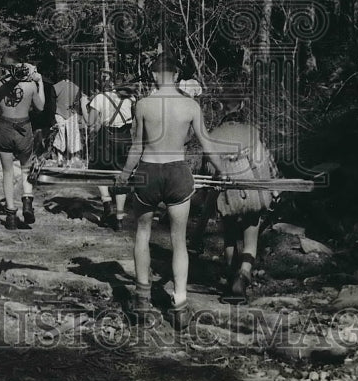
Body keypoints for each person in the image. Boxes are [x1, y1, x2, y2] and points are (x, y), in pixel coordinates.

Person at [117, 52, 216, 330]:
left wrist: (124, 175)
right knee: (179, 241)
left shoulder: (144, 105)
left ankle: (141, 300)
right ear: (176, 75)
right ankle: (181, 305)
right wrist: (224, 170)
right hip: (177, 172)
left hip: (148, 170)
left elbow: (136, 146)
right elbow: (207, 145)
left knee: (143, 233)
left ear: (153, 75)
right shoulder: (191, 106)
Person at [203, 98, 278, 304]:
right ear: (242, 107)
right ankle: (242, 277)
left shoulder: (212, 136)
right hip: (253, 193)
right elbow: (267, 164)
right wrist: (275, 188)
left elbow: (207, 172)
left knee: (229, 236)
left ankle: (230, 279)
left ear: (221, 110)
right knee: (250, 239)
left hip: (227, 195)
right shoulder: (252, 132)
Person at [0, 55, 45, 230]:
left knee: (8, 172)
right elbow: (40, 108)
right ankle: (27, 200)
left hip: (4, 128)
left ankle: (10, 215)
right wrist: (40, 83)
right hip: (24, 129)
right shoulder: (30, 86)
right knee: (26, 167)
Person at [88, 72, 135, 230]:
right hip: (125, 138)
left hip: (106, 137)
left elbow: (90, 122)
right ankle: (120, 218)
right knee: (121, 175)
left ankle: (107, 201)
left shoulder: (99, 98)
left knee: (98, 170)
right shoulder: (131, 99)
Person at [53, 71, 87, 166]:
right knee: (72, 135)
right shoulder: (76, 87)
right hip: (71, 114)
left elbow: (52, 102)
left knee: (61, 134)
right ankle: (71, 158)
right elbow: (77, 104)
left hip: (59, 113)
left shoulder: (56, 86)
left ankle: (60, 157)